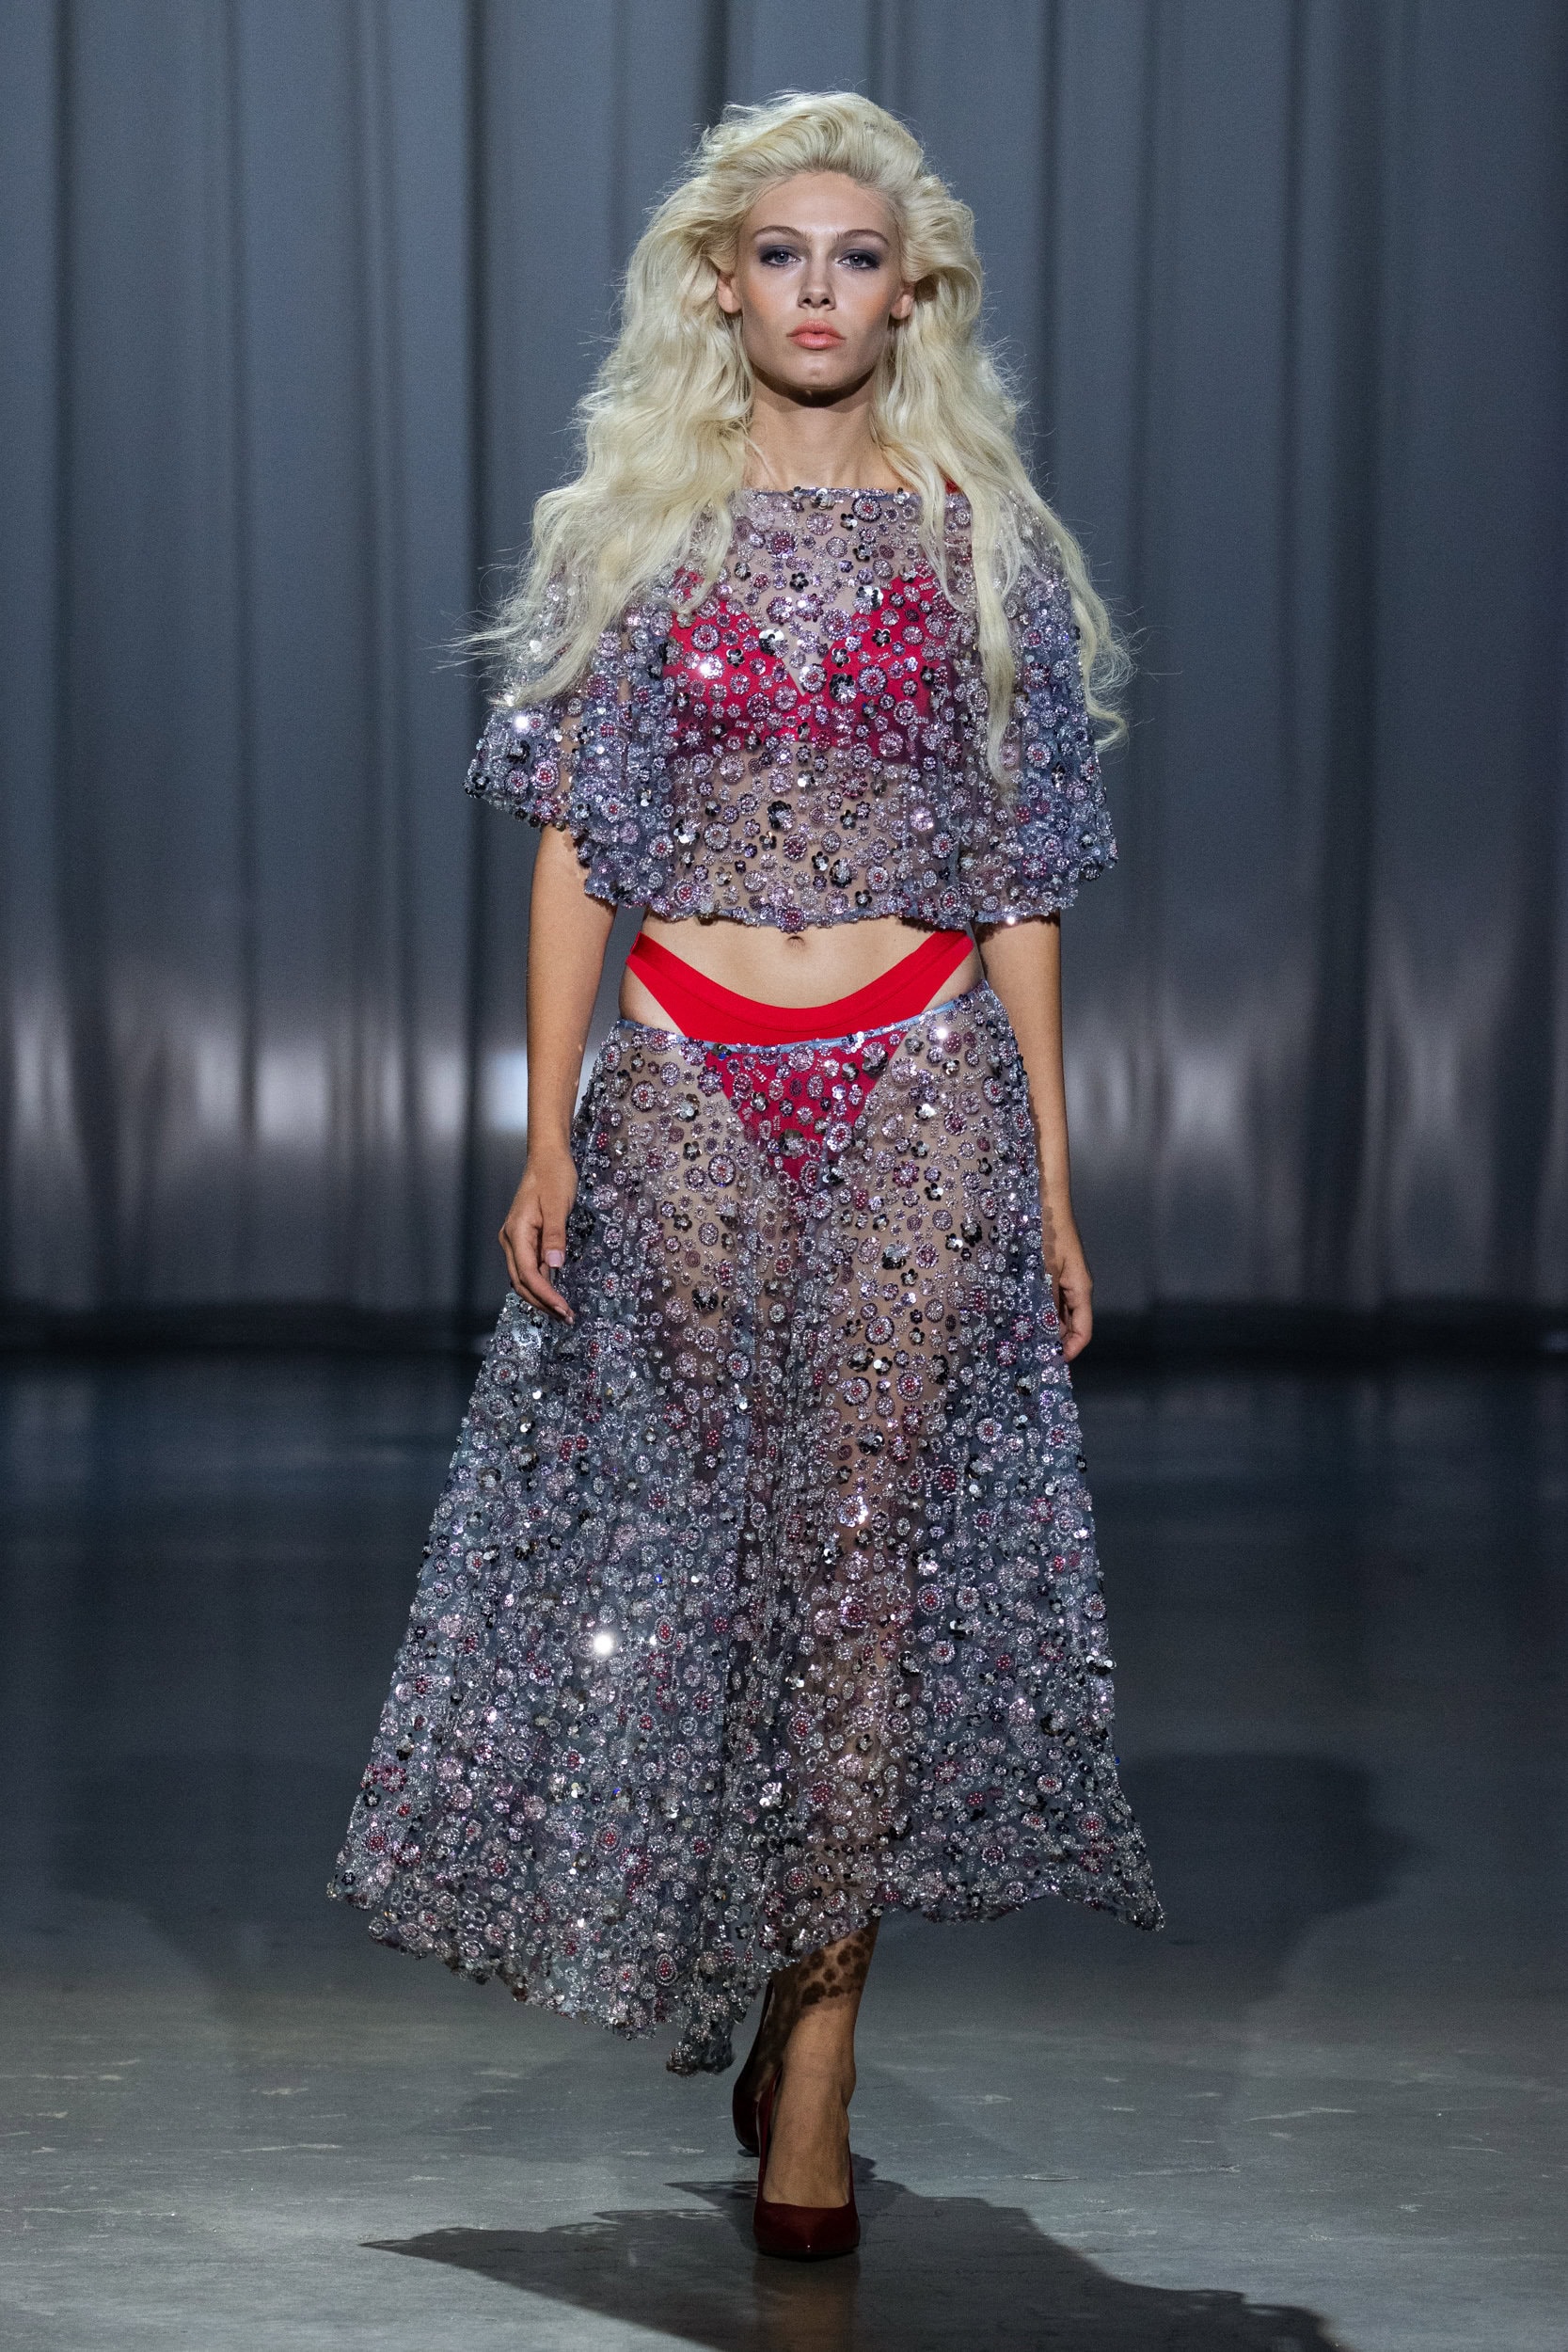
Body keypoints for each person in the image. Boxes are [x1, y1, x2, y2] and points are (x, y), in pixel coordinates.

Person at [330, 89, 1162, 2262]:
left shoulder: (979, 538)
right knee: (706, 1566)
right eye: (782, 251)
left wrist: (1054, 1177)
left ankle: (821, 2065)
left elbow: (1023, 878)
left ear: (912, 292)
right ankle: (757, 1950)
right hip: (688, 1075)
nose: (818, 287)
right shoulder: (636, 530)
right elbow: (575, 854)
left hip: (923, 1079)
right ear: (723, 280)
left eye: (855, 256)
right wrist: (545, 1122)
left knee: (866, 1576)